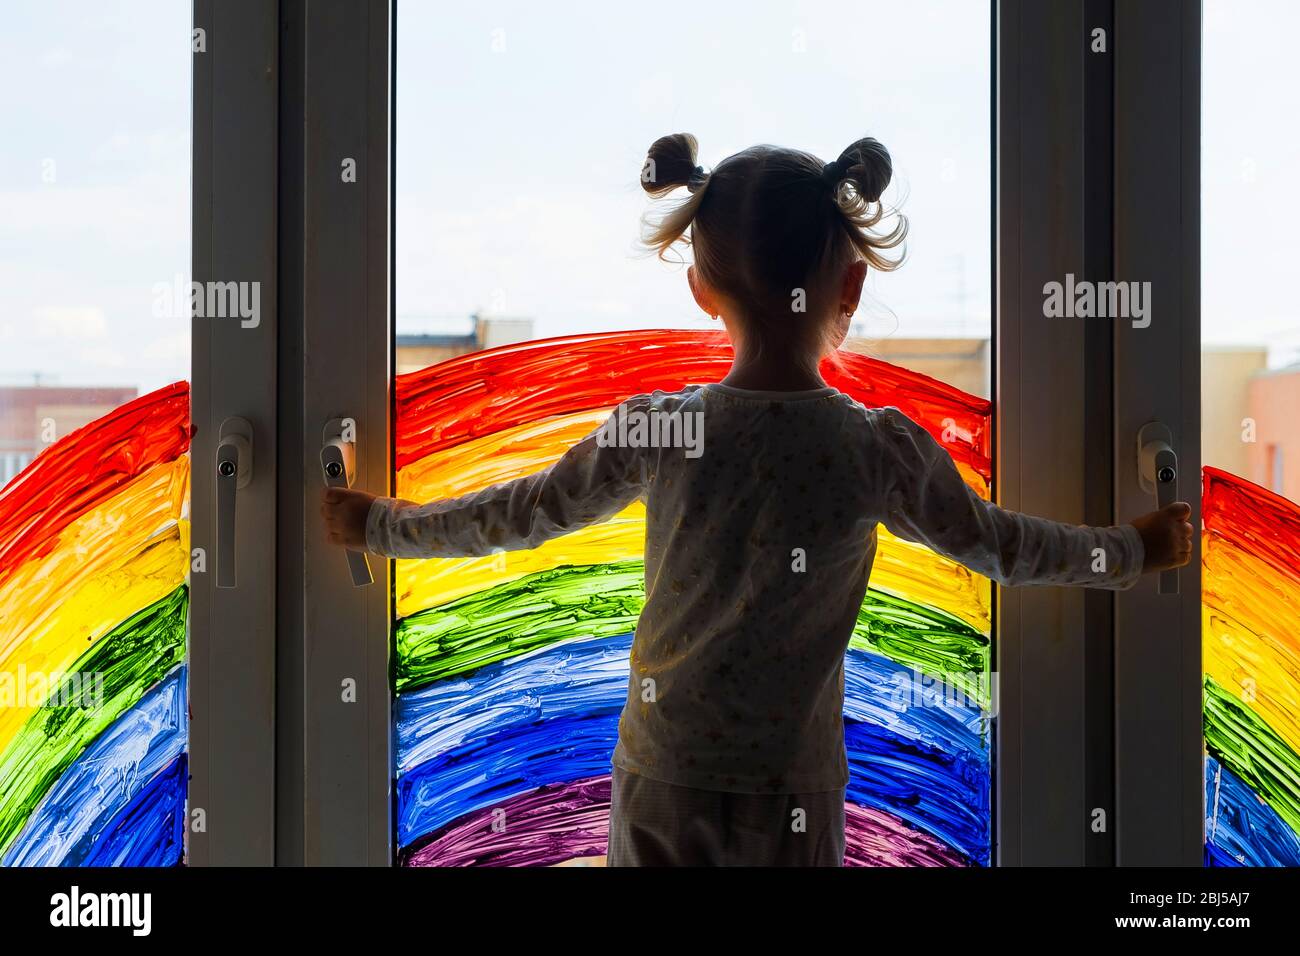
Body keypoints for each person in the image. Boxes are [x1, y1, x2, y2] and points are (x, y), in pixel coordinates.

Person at [321, 133, 1193, 867]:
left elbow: (520, 513)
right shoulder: (871, 448)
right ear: (848, 287)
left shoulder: (661, 433)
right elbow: (1000, 545)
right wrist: (1134, 550)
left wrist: (378, 525)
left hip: (665, 776)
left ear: (700, 287)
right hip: (794, 794)